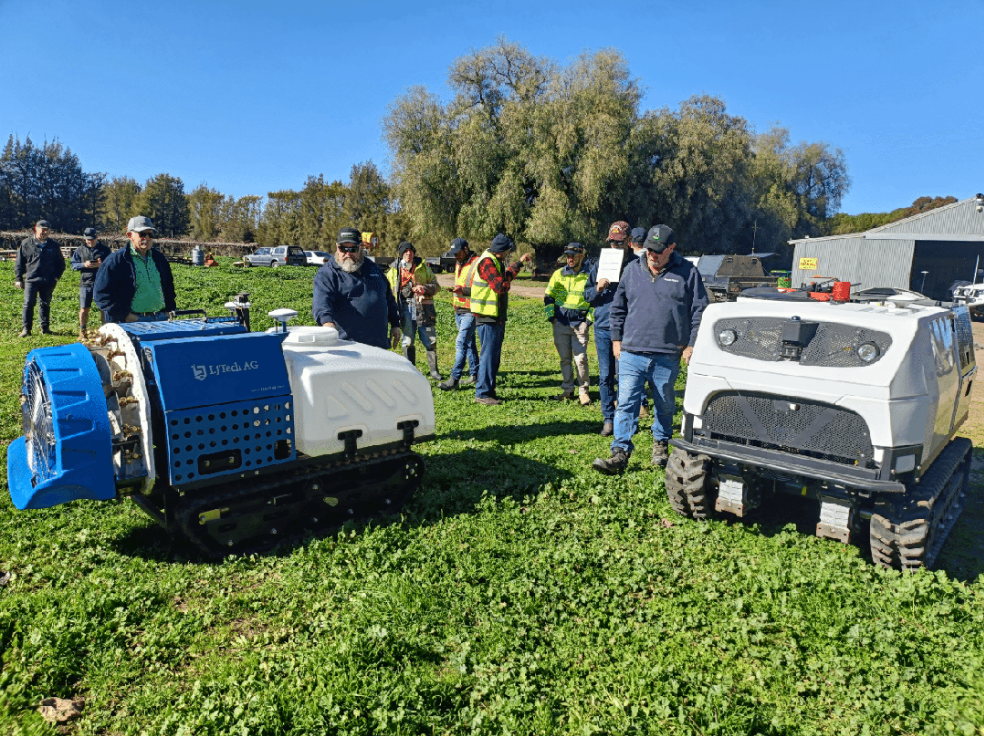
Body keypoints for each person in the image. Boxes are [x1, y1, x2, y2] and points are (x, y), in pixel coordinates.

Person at [592, 224, 707, 475]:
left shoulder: (688, 272)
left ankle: (661, 444)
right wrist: (616, 340)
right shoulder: (632, 270)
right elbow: (618, 307)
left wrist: (691, 344)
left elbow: (699, 310)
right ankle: (620, 452)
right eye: (649, 250)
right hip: (632, 351)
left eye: (658, 250)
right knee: (626, 402)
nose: (652, 255)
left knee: (664, 403)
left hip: (667, 353)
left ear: (671, 248)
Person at [462, 234, 532, 405]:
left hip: (495, 317)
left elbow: (504, 277)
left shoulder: (495, 261)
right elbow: (500, 285)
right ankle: (483, 393)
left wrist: (519, 263)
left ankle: (489, 391)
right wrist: (507, 284)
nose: (509, 253)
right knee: (488, 356)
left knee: (493, 356)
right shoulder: (487, 262)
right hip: (487, 317)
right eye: (508, 250)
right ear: (501, 250)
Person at [312, 227, 401, 350]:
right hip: (347, 349)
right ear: (337, 247)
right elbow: (321, 304)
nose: (348, 254)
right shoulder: (327, 274)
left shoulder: (374, 269)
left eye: (352, 249)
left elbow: (388, 298)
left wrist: (395, 324)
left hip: (378, 347)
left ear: (360, 248)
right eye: (343, 249)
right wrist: (327, 324)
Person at [583, 221, 634, 435]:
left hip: (628, 329)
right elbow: (586, 296)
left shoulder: (637, 265)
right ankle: (608, 419)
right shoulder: (600, 265)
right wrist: (597, 288)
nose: (615, 246)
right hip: (603, 327)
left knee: (625, 377)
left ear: (629, 242)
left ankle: (624, 420)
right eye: (612, 242)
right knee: (605, 376)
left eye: (620, 243)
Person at [94, 216, 177, 323]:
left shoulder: (159, 259)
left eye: (150, 234)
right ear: (130, 235)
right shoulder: (116, 261)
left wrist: (170, 309)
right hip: (131, 321)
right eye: (142, 234)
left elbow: (169, 286)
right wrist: (125, 315)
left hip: (160, 318)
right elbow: (101, 295)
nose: (147, 238)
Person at [544, 242, 593, 405]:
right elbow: (549, 297)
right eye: (567, 256)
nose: (570, 259)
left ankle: (583, 392)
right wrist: (552, 317)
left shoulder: (590, 275)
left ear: (581, 256)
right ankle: (568, 390)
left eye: (573, 256)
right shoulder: (558, 274)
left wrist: (588, 321)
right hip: (561, 323)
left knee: (581, 359)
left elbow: (595, 300)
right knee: (565, 359)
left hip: (580, 323)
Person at [386, 241, 442, 380]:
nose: (409, 254)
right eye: (405, 252)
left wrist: (424, 288)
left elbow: (436, 285)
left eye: (411, 251)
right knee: (408, 340)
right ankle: (411, 371)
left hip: (424, 308)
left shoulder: (423, 267)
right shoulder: (393, 271)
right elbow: (387, 292)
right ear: (401, 254)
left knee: (430, 340)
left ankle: (434, 372)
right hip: (405, 308)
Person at [439, 238, 480, 391]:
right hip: (459, 310)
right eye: (454, 253)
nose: (455, 256)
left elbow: (482, 288)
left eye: (457, 253)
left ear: (466, 249)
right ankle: (475, 375)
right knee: (469, 343)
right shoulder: (458, 263)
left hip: (470, 310)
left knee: (461, 343)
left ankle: (454, 379)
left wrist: (463, 291)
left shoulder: (477, 263)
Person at [14, 219, 66, 337]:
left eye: (46, 230)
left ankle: (45, 328)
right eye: (42, 230)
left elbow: (61, 264)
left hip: (48, 281)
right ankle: (26, 329)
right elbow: (19, 263)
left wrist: (56, 278)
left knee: (45, 304)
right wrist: (18, 278)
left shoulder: (53, 245)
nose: (44, 232)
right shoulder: (26, 243)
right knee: (28, 304)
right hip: (31, 279)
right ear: (36, 229)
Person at [71, 227, 111, 338]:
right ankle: (82, 331)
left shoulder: (105, 250)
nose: (90, 241)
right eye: (88, 240)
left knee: (104, 309)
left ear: (97, 238)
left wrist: (101, 265)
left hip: (102, 283)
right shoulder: (80, 250)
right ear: (85, 239)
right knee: (84, 308)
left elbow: (112, 265)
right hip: (86, 283)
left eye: (92, 239)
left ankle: (105, 332)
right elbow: (73, 265)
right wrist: (84, 265)